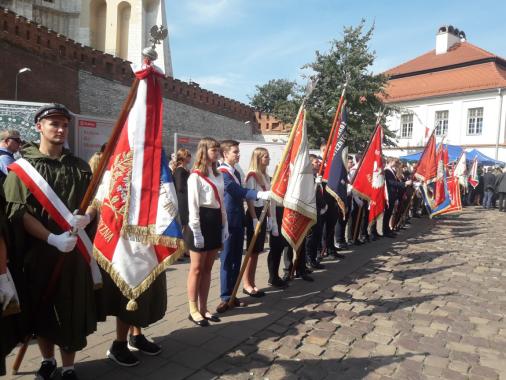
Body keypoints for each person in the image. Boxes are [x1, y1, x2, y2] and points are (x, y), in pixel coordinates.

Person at [4, 103, 98, 380]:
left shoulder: (79, 166)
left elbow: (94, 201)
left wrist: (89, 217)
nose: (60, 129)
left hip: (75, 253)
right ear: (39, 127)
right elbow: (17, 213)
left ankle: (69, 366)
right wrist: (52, 239)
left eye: (64, 125)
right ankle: (48, 361)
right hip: (40, 253)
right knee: (43, 308)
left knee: (71, 308)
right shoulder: (22, 168)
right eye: (53, 124)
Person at [216, 140, 271, 313]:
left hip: (238, 220)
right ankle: (225, 297)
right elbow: (236, 191)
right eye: (234, 152)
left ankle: (233, 294)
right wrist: (259, 193)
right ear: (225, 154)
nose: (238, 154)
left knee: (236, 260)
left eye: (238, 151)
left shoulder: (236, 172)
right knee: (227, 260)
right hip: (228, 222)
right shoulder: (222, 172)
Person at [185, 137, 227, 326]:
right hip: (200, 222)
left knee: (208, 268)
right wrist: (196, 231)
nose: (216, 152)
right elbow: (193, 206)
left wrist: (224, 225)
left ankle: (204, 308)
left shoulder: (217, 174)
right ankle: (193, 309)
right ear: (203, 151)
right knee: (196, 268)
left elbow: (221, 202)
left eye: (218, 150)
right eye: (213, 149)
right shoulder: (195, 176)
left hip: (215, 221)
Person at [244, 147, 271, 298]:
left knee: (257, 252)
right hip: (254, 213)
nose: (268, 159)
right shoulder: (252, 175)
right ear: (258, 158)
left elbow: (267, 198)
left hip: (263, 212)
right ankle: (247, 284)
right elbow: (250, 199)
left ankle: (252, 282)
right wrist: (254, 218)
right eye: (266, 157)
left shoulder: (265, 176)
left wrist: (270, 217)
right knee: (251, 251)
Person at [173, 148, 192, 259]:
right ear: (183, 157)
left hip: (186, 199)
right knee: (183, 226)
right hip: (183, 200)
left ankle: (185, 249)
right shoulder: (180, 170)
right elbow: (180, 187)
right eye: (187, 155)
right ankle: (179, 251)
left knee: (186, 226)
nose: (189, 157)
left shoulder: (185, 169)